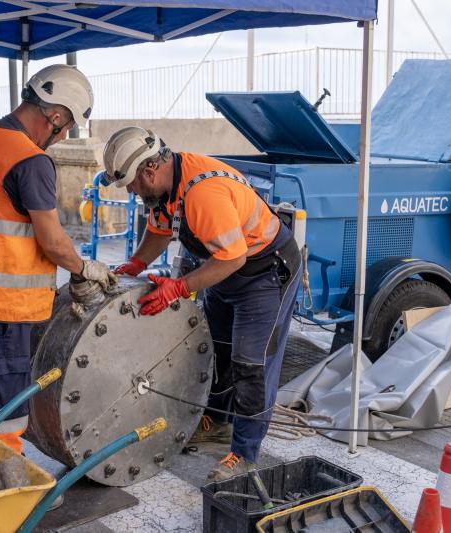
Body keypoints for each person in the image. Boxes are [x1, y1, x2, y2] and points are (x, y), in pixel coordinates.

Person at [0, 65, 115, 454]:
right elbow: (53, 241)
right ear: (55, 116)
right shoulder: (29, 160)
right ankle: (3, 476)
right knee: (6, 411)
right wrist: (84, 269)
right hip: (2, 307)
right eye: (65, 129)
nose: (60, 138)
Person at [103, 126, 302, 481]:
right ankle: (217, 423)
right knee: (216, 350)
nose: (131, 191)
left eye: (131, 183)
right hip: (223, 270)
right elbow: (160, 230)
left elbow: (234, 258)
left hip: (263, 275)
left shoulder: (203, 194)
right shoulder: (166, 189)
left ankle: (245, 453)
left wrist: (178, 288)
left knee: (250, 364)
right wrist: (136, 263)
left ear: (150, 169)